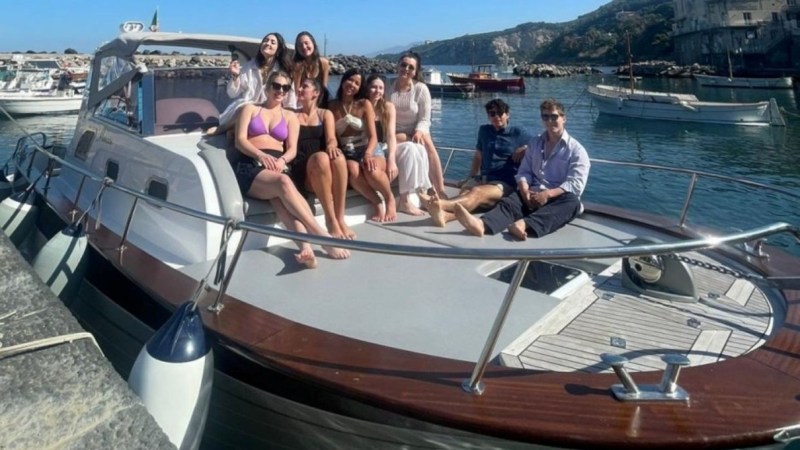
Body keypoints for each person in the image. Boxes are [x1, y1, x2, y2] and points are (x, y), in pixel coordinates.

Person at [233, 71, 349, 267]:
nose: (280, 91)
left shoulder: (289, 116)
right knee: (284, 183)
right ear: (267, 87)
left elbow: (293, 149)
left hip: (278, 166)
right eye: (276, 86)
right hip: (251, 165)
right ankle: (322, 236)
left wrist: (282, 160)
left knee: (283, 204)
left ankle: (305, 249)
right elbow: (240, 141)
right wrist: (260, 155)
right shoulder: (250, 109)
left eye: (285, 88)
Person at [454, 98, 590, 241]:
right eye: (545, 117)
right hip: (533, 192)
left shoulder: (577, 150)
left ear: (563, 118)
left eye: (554, 116)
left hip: (557, 197)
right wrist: (525, 191)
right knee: (511, 202)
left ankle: (523, 224)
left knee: (573, 202)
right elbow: (524, 172)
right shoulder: (535, 143)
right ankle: (482, 224)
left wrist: (547, 194)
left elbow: (575, 184)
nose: (549, 121)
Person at [420, 98, 531, 226]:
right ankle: (446, 217)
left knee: (476, 193)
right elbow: (478, 157)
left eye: (500, 113)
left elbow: (541, 142)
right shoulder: (484, 131)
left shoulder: (517, 132)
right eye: (492, 114)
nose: (497, 117)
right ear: (488, 116)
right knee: (465, 193)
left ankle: (439, 204)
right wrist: (471, 177)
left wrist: (525, 148)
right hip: (483, 178)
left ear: (507, 114)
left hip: (504, 182)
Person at [329, 69, 397, 222]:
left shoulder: (364, 104)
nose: (352, 85)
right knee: (353, 170)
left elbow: (373, 136)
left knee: (371, 169)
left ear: (360, 88)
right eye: (350, 80)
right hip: (348, 152)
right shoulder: (332, 106)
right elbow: (332, 136)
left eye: (357, 83)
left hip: (369, 148)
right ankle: (377, 201)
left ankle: (389, 198)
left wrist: (368, 154)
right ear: (343, 80)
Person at [293, 77, 355, 240]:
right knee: (321, 157)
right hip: (304, 171)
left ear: (315, 93)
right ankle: (330, 220)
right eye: (299, 87)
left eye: (304, 86)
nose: (299, 90)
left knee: (339, 158)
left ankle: (340, 218)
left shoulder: (325, 114)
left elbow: (331, 138)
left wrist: (331, 146)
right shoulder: (291, 114)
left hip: (324, 171)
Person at [364, 73, 431, 216]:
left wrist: (392, 160)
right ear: (367, 88)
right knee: (409, 149)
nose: (378, 91)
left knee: (415, 147)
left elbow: (390, 135)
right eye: (374, 87)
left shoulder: (387, 107)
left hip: (384, 147)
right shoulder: (362, 105)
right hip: (371, 149)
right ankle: (405, 201)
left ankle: (417, 194)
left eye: (381, 88)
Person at [385, 51, 446, 197]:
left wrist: (419, 131)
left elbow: (425, 118)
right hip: (395, 132)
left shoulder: (421, 89)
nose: (406, 69)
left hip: (415, 129)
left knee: (428, 144)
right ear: (397, 66)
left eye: (411, 67)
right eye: (403, 65)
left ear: (415, 71)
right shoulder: (388, 87)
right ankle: (423, 188)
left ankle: (440, 189)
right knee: (408, 142)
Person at [209, 32, 294, 135]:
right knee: (246, 109)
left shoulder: (283, 71)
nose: (268, 43)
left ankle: (231, 131)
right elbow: (232, 93)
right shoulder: (250, 66)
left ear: (278, 50)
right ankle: (226, 129)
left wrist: (290, 115)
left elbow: (290, 97)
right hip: (247, 109)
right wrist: (235, 76)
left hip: (271, 109)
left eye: (273, 42)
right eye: (265, 41)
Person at [292, 31, 330, 107]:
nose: (304, 47)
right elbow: (297, 91)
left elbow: (324, 88)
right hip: (302, 103)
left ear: (313, 43)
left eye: (306, 43)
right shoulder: (297, 66)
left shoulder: (324, 63)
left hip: (319, 102)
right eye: (300, 45)